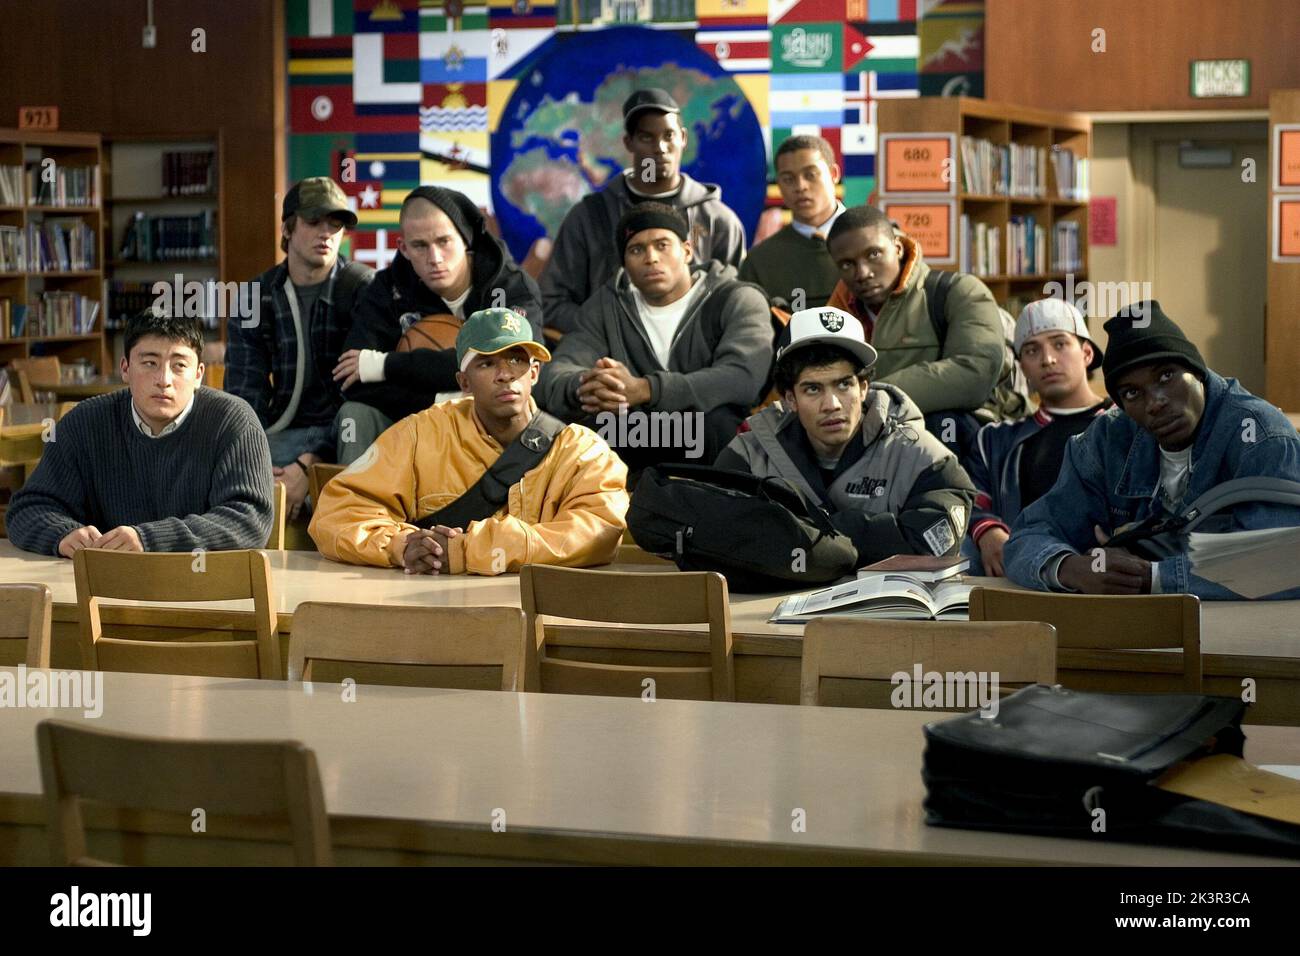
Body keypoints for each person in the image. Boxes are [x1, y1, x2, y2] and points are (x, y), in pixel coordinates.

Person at [1004, 301, 1300, 599]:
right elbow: (1027, 536)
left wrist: (1154, 577)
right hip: (1136, 627)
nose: (1156, 402)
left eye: (1166, 376)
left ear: (1196, 371)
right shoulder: (1106, 438)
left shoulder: (1260, 434)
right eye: (1132, 393)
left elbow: (1278, 564)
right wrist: (1069, 568)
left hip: (1245, 634)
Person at [310, 307, 628, 574]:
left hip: (543, 618)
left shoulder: (584, 451)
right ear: (464, 382)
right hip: (437, 618)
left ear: (534, 374)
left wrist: (469, 550)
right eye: (487, 363)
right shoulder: (421, 435)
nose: (505, 374)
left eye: (517, 359)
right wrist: (401, 546)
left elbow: (599, 532)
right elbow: (336, 513)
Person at [714, 306, 975, 566]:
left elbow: (930, 545)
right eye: (813, 389)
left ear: (863, 388)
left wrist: (799, 530)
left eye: (844, 384)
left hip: (888, 607)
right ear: (791, 399)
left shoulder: (924, 457)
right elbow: (720, 535)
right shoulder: (749, 454)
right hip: (771, 605)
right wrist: (873, 537)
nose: (832, 404)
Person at [6, 308, 274, 557]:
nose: (164, 380)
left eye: (179, 365)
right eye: (149, 363)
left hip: (205, 591)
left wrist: (148, 539)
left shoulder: (233, 422)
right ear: (125, 368)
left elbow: (250, 520)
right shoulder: (83, 423)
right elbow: (28, 509)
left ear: (199, 375)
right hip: (105, 591)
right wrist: (62, 534)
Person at [537, 202, 774, 470]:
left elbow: (742, 377)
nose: (651, 258)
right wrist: (589, 385)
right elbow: (552, 376)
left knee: (718, 425)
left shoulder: (737, 298)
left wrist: (646, 390)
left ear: (687, 250)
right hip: (633, 435)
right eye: (636, 249)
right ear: (624, 262)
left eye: (662, 245)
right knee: (581, 433)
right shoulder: (605, 307)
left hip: (706, 439)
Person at [333, 185, 543, 464]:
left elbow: (515, 366)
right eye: (420, 246)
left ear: (465, 239)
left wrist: (385, 365)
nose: (434, 258)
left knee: (515, 405)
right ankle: (355, 505)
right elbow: (352, 379)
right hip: (413, 425)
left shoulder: (511, 286)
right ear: (403, 248)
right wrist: (441, 399)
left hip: (493, 422)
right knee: (354, 414)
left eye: (444, 241)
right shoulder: (387, 289)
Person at [539, 88, 747, 335]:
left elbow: (739, 305)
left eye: (669, 135)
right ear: (629, 142)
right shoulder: (590, 217)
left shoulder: (718, 220)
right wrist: (610, 330)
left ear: (683, 138)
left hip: (696, 366)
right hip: (608, 363)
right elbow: (552, 302)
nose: (660, 148)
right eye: (646, 137)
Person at [225, 176, 373, 521]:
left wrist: (308, 465)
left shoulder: (362, 288)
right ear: (288, 228)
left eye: (335, 223)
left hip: (346, 433)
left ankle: (350, 536)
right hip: (283, 433)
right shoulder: (255, 296)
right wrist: (254, 461)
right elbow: (245, 396)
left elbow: (367, 397)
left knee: (355, 424)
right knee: (228, 465)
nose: (326, 232)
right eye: (313, 221)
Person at [823, 205, 1006, 455]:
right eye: (847, 264)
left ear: (897, 248)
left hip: (954, 451)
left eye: (873, 254)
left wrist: (869, 397)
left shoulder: (957, 292)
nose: (862, 273)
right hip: (864, 454)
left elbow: (976, 373)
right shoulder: (834, 318)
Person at [964, 298, 1111, 575]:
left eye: (1060, 344)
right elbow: (968, 503)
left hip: (1103, 573)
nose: (1048, 360)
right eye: (1032, 350)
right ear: (1022, 368)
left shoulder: (1126, 426)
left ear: (1087, 353)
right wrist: (987, 530)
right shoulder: (994, 441)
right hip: (1020, 574)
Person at [739, 134, 843, 310]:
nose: (800, 186)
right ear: (778, 184)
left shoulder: (876, 243)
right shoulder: (760, 262)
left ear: (833, 174)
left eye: (810, 174)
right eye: (788, 179)